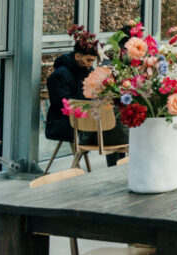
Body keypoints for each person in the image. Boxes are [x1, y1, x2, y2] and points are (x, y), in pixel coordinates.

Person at [46, 25, 128, 166]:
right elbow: (64, 105)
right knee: (114, 126)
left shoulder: (86, 70)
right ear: (78, 56)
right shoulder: (59, 75)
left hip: (85, 119)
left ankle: (116, 162)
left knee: (116, 117)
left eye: (92, 61)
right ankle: (115, 165)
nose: (90, 65)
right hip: (65, 122)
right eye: (88, 60)